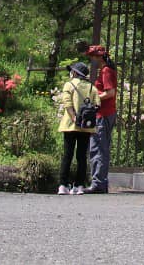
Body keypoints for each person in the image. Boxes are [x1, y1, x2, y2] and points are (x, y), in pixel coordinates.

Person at [56, 61, 97, 194]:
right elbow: (97, 104)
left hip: (70, 125)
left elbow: (67, 102)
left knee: (67, 155)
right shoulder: (92, 87)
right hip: (86, 126)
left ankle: (63, 185)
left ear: (74, 73)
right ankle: (79, 185)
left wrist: (74, 117)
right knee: (81, 156)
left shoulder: (69, 84)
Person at [84, 45, 118, 194]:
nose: (92, 59)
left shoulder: (106, 71)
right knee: (101, 148)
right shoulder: (107, 70)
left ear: (99, 57)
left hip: (103, 114)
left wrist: (94, 99)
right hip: (106, 113)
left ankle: (98, 183)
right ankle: (100, 182)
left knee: (98, 148)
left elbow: (110, 93)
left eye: (93, 57)